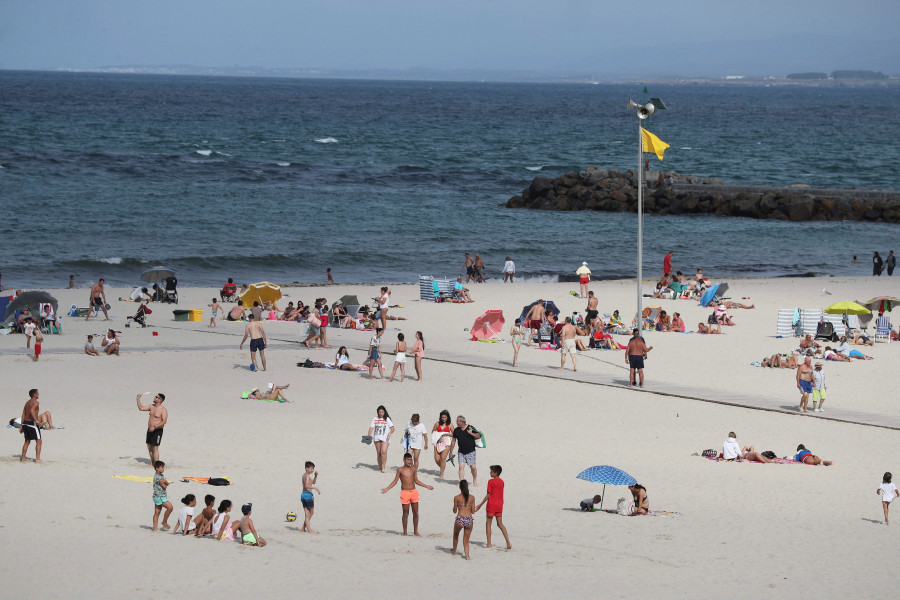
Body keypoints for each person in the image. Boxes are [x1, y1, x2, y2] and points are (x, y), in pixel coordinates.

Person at [381, 452, 434, 536]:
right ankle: (405, 532)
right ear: (404, 460)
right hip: (405, 493)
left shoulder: (413, 469)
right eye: (407, 460)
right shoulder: (400, 470)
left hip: (413, 492)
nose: (409, 461)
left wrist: (426, 486)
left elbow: (416, 480)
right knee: (405, 514)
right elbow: (395, 481)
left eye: (410, 460)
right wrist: (387, 489)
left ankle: (415, 531)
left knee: (416, 513)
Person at [475, 465, 511, 549]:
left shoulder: (490, 482)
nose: (490, 473)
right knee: (500, 523)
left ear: (495, 473)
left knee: (488, 523)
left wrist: (480, 504)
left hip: (491, 504)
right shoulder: (502, 482)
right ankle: (508, 542)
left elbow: (489, 494)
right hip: (499, 505)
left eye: (491, 472)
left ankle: (489, 543)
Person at [449, 415, 482, 486]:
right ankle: (461, 482)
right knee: (461, 467)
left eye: (457, 421)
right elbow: (453, 441)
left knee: (473, 467)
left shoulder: (470, 427)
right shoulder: (456, 430)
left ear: (462, 422)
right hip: (461, 452)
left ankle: (475, 479)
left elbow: (479, 435)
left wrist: (471, 433)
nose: (456, 422)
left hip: (471, 451)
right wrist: (451, 451)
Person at [137, 392, 167, 467]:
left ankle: (156, 464)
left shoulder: (163, 409)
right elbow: (141, 408)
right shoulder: (151, 406)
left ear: (160, 400)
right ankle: (152, 462)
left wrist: (155, 427)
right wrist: (138, 399)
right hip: (150, 429)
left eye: (157, 397)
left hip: (157, 430)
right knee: (149, 445)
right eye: (155, 396)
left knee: (155, 446)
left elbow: (164, 421)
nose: (155, 398)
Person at [451, 479, 476, 559]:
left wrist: (456, 507)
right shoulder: (472, 497)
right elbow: (473, 511)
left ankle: (454, 551)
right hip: (469, 519)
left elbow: (454, 511)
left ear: (460, 487)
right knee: (466, 540)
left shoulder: (456, 497)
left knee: (455, 535)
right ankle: (467, 556)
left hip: (460, 518)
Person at [19, 389, 43, 463]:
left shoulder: (27, 402)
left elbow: (23, 414)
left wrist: (21, 425)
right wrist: (36, 420)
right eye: (37, 393)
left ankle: (23, 458)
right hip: (32, 423)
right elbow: (32, 411)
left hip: (25, 423)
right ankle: (38, 459)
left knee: (27, 441)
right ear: (35, 394)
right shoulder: (36, 402)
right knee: (39, 441)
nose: (38, 394)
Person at [368, 405, 394, 473]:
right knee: (379, 453)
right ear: (378, 412)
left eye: (382, 412)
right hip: (377, 437)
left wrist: (389, 433)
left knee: (384, 451)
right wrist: (368, 435)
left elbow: (393, 428)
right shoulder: (375, 418)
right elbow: (371, 427)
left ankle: (383, 466)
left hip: (385, 438)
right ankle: (380, 467)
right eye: (380, 412)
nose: (381, 413)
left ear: (384, 412)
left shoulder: (387, 419)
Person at [151, 460, 173, 531]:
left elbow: (167, 483)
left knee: (157, 512)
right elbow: (165, 486)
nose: (163, 469)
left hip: (160, 496)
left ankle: (155, 528)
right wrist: (165, 482)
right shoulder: (158, 477)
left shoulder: (161, 475)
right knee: (170, 508)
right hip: (159, 497)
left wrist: (165, 482)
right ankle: (164, 522)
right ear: (157, 468)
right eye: (162, 467)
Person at [432, 410, 454, 479]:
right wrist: (437, 435)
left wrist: (446, 434)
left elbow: (454, 434)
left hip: (446, 442)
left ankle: (441, 474)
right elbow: (433, 431)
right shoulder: (437, 423)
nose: (443, 419)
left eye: (445, 417)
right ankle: (443, 467)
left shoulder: (450, 425)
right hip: (438, 441)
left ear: (448, 417)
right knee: (436, 459)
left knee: (443, 458)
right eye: (442, 417)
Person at [301, 461, 321, 533]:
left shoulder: (304, 475)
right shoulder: (307, 476)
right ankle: (309, 529)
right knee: (311, 512)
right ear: (306, 468)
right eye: (311, 468)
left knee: (307, 513)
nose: (312, 470)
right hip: (308, 495)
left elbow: (313, 482)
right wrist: (315, 488)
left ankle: (303, 528)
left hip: (303, 494)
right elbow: (306, 485)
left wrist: (316, 476)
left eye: (313, 468)